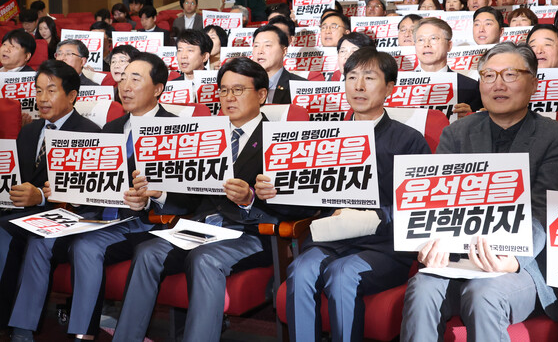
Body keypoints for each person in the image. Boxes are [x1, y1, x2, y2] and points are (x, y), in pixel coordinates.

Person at [111, 57, 314, 342]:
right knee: (147, 251)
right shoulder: (205, 136)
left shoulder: (281, 141)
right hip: (200, 228)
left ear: (261, 95)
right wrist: (160, 194)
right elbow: (189, 196)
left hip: (251, 234)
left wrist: (250, 200)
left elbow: (302, 205)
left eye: (238, 90)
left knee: (204, 259)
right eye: (224, 90)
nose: (229, 98)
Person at [401, 42, 558, 342]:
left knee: (483, 292)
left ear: (534, 84)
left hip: (524, 266)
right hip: (459, 257)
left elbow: (544, 212)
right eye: (488, 75)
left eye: (510, 75)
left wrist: (514, 259)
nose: (498, 84)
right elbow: (438, 203)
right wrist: (429, 241)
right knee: (421, 287)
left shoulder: (557, 139)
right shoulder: (456, 133)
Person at [255, 48, 430, 342]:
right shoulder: (324, 137)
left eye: (369, 78)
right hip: (331, 239)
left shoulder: (409, 140)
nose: (358, 86)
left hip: (383, 246)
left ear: (389, 87)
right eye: (351, 77)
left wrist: (369, 217)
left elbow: (418, 208)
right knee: (301, 269)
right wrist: (275, 193)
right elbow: (304, 204)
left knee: (343, 274)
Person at [8, 54, 173, 342]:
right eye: (123, 78)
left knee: (85, 246)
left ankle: (82, 334)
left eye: (135, 79)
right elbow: (90, 185)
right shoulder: (111, 129)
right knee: (40, 239)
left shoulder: (176, 129)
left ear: (158, 88)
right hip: (94, 216)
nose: (125, 86)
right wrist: (65, 192)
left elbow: (189, 194)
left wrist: (151, 199)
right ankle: (22, 331)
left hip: (142, 223)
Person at [1, 61, 101, 335]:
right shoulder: (29, 131)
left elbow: (89, 192)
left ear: (72, 95)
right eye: (38, 90)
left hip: (67, 216)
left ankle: (13, 326)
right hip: (20, 212)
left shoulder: (89, 133)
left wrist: (41, 199)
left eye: (51, 90)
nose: (42, 98)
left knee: (6, 232)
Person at [413, 17, 482, 116]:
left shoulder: (470, 87)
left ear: (449, 45)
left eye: (433, 38)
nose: (426, 44)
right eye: (421, 40)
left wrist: (470, 116)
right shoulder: (397, 86)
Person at [252, 24, 306, 103]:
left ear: (284, 51)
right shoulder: (244, 84)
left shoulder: (301, 86)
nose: (260, 51)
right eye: (256, 46)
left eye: (267, 45)